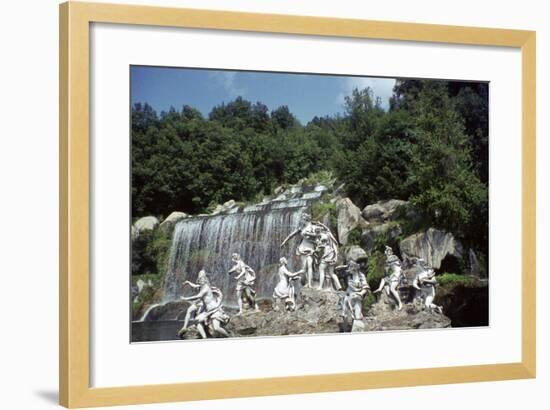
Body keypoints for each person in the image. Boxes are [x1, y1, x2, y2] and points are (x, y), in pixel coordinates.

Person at [178, 270, 229, 338]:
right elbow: (196, 286)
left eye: (202, 279)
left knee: (216, 328)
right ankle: (204, 337)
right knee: (196, 320)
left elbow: (198, 296)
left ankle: (228, 337)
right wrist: (188, 282)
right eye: (199, 279)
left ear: (205, 280)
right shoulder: (202, 286)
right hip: (207, 311)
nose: (200, 280)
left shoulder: (206, 288)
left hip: (214, 309)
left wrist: (185, 299)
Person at [280, 213, 318, 288]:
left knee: (310, 264)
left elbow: (317, 235)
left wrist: (309, 234)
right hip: (303, 247)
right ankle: (307, 282)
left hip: (310, 247)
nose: (302, 221)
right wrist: (284, 242)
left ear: (306, 219)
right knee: (304, 266)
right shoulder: (301, 228)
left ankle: (310, 283)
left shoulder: (313, 227)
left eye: (303, 219)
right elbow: (292, 235)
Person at [373, 246, 404, 310]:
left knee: (392, 289)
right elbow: (387, 269)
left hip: (398, 274)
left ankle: (400, 303)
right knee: (384, 279)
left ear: (391, 252)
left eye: (389, 251)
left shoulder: (393, 257)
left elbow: (389, 267)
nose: (388, 253)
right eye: (387, 251)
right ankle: (379, 288)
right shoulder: (389, 259)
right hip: (394, 273)